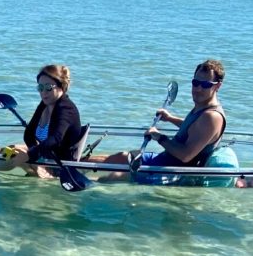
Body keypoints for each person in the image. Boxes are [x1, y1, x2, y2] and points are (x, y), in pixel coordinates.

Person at [97, 60, 227, 180]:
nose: (198, 89)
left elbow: (185, 155)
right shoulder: (203, 108)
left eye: (205, 85)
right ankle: (78, 163)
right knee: (121, 157)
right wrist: (170, 118)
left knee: (112, 177)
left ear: (218, 86)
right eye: (195, 83)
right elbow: (193, 129)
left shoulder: (211, 117)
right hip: (164, 160)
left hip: (171, 173)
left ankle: (84, 181)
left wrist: (159, 137)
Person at [0, 64, 83, 179]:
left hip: (59, 166)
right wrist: (35, 157)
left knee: (16, 156)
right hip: (45, 158)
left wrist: (30, 155)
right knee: (12, 148)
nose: (43, 92)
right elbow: (29, 134)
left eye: (48, 87)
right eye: (40, 87)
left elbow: (55, 139)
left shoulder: (66, 110)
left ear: (61, 86)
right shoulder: (45, 104)